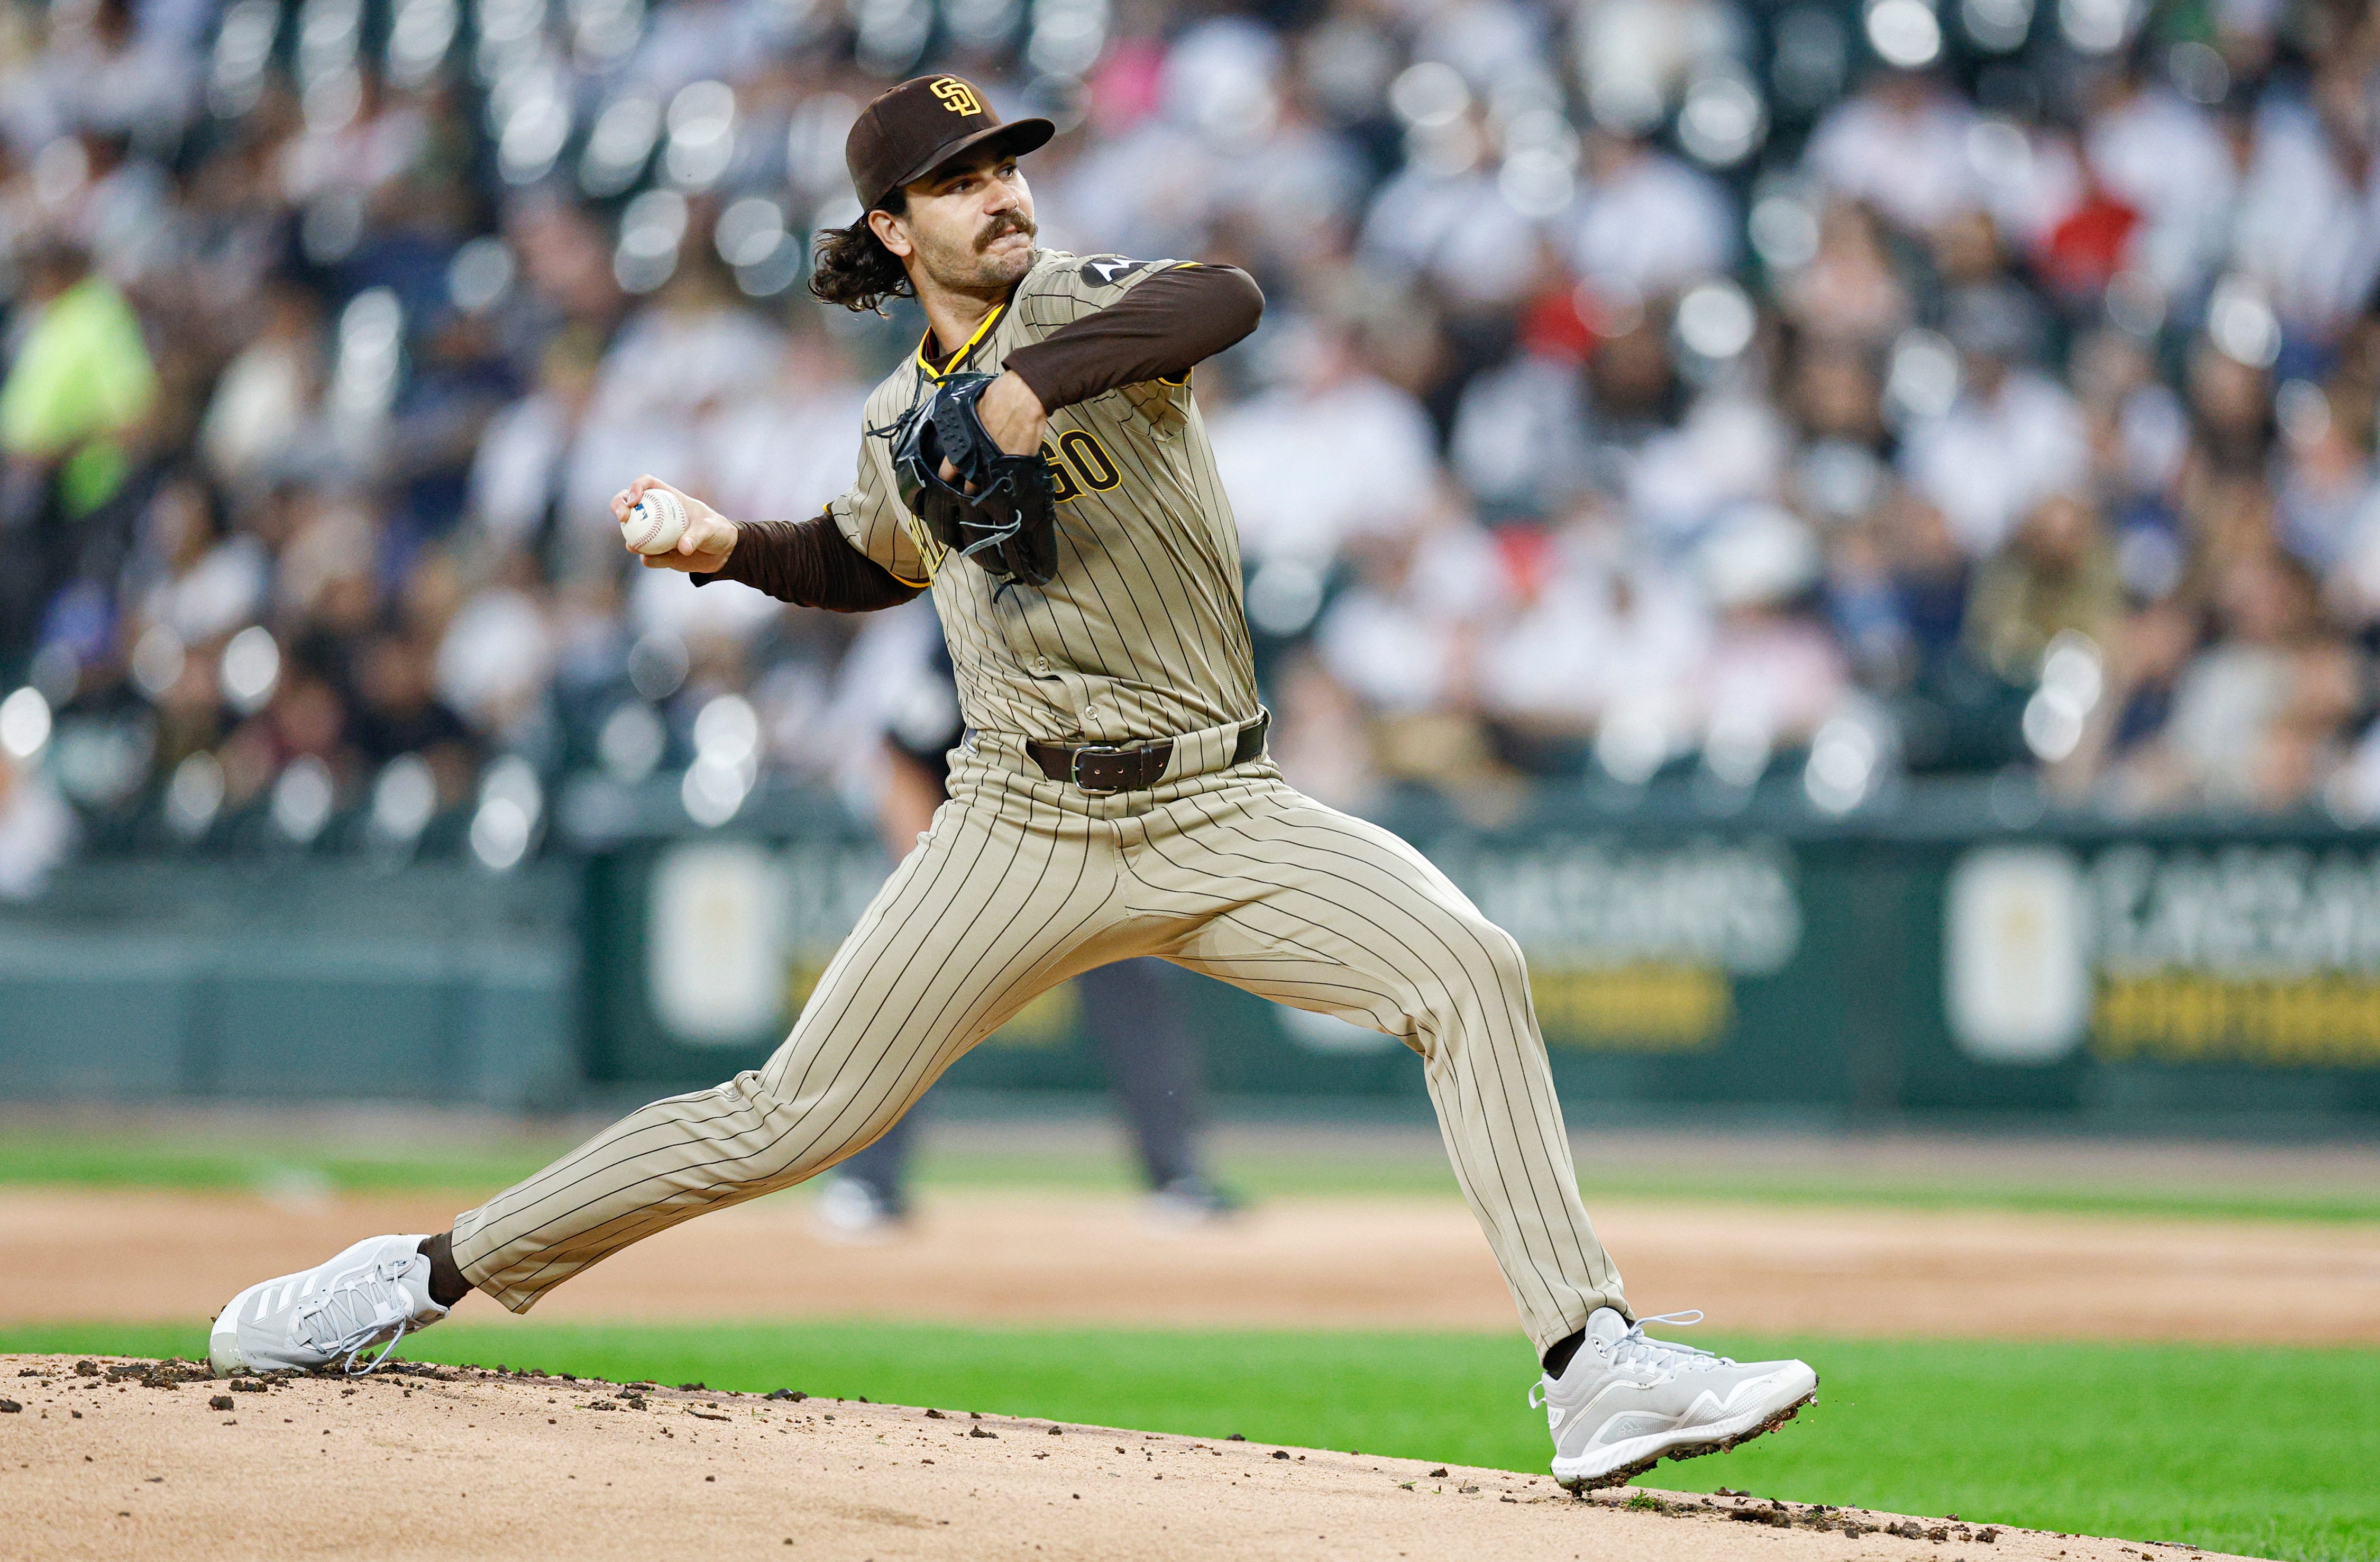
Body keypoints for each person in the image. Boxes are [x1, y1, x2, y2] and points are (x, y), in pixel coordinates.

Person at [206, 75, 1818, 1492]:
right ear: (890, 227)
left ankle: (1591, 1365)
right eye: (960, 181)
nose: (1002, 195)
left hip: (1222, 806)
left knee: (1468, 966)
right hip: (1021, 823)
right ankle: (417, 1274)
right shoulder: (893, 420)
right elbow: (870, 560)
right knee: (784, 1120)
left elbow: (1228, 294)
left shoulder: (1085, 306)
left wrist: (1031, 387)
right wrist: (726, 547)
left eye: (1007, 168)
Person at [817, 615, 1236, 1235]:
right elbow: (903, 757)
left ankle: (1178, 1178)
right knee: (910, 992)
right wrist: (927, 877)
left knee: (1138, 986)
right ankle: (864, 1182)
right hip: (977, 849)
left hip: (1080, 853)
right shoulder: (975, 639)